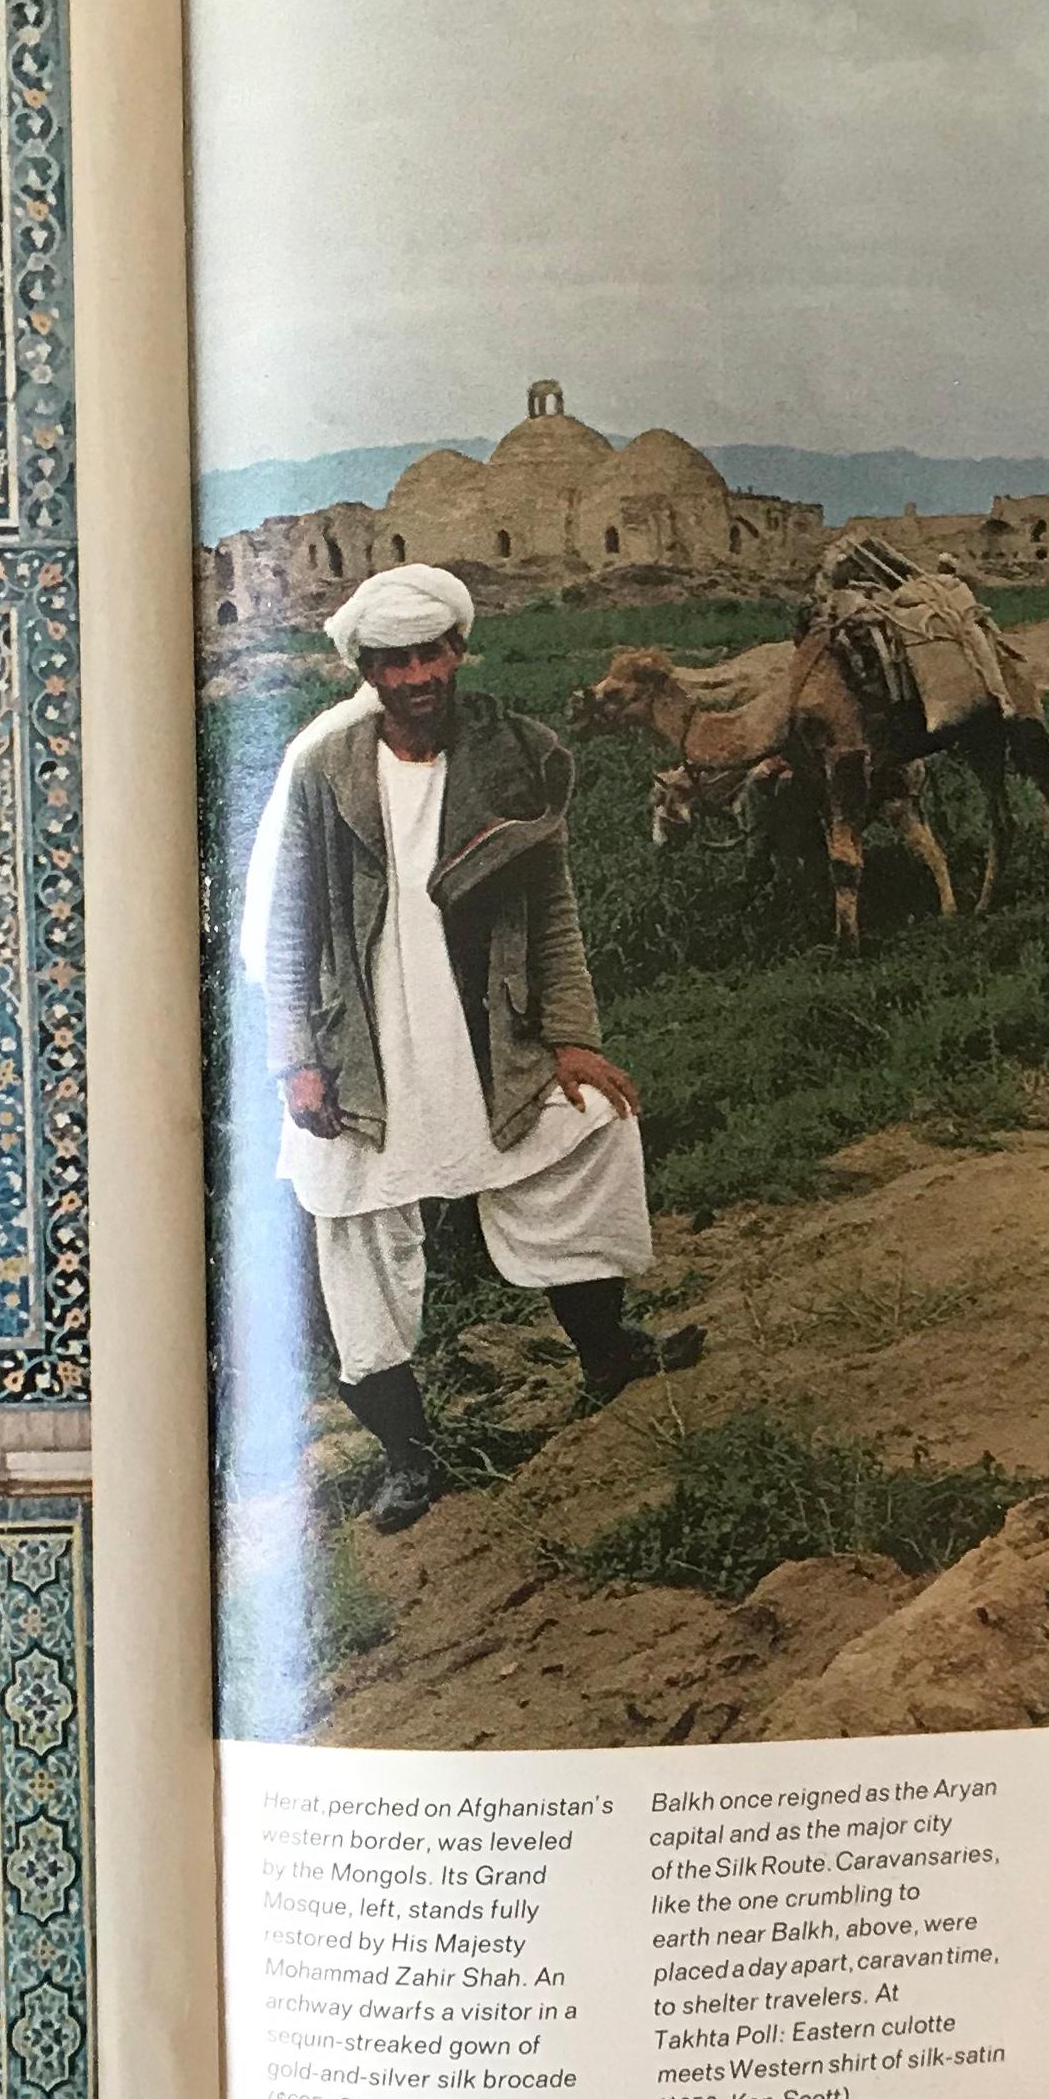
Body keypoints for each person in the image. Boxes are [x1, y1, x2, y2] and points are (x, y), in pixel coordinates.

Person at [242, 562, 700, 1533]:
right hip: (360, 1046)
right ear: (365, 669)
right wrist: (296, 1059)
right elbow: (289, 931)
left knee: (588, 1130)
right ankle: (409, 1457)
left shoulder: (510, 757)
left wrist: (570, 1039)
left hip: (485, 1034)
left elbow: (553, 915)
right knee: (353, 1226)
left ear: (455, 652)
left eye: (428, 655)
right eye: (391, 661)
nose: (413, 677)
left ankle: (606, 1354)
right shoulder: (324, 773)